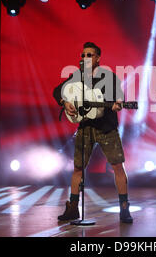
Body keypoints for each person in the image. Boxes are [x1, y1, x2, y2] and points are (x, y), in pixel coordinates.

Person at [53, 41, 133, 223]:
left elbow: (119, 98)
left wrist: (116, 104)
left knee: (117, 167)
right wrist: (65, 102)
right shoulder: (77, 76)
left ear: (97, 58)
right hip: (86, 127)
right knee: (77, 168)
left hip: (106, 128)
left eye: (89, 55)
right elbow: (58, 91)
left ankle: (124, 207)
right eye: (83, 55)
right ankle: (73, 208)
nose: (85, 58)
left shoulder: (109, 77)